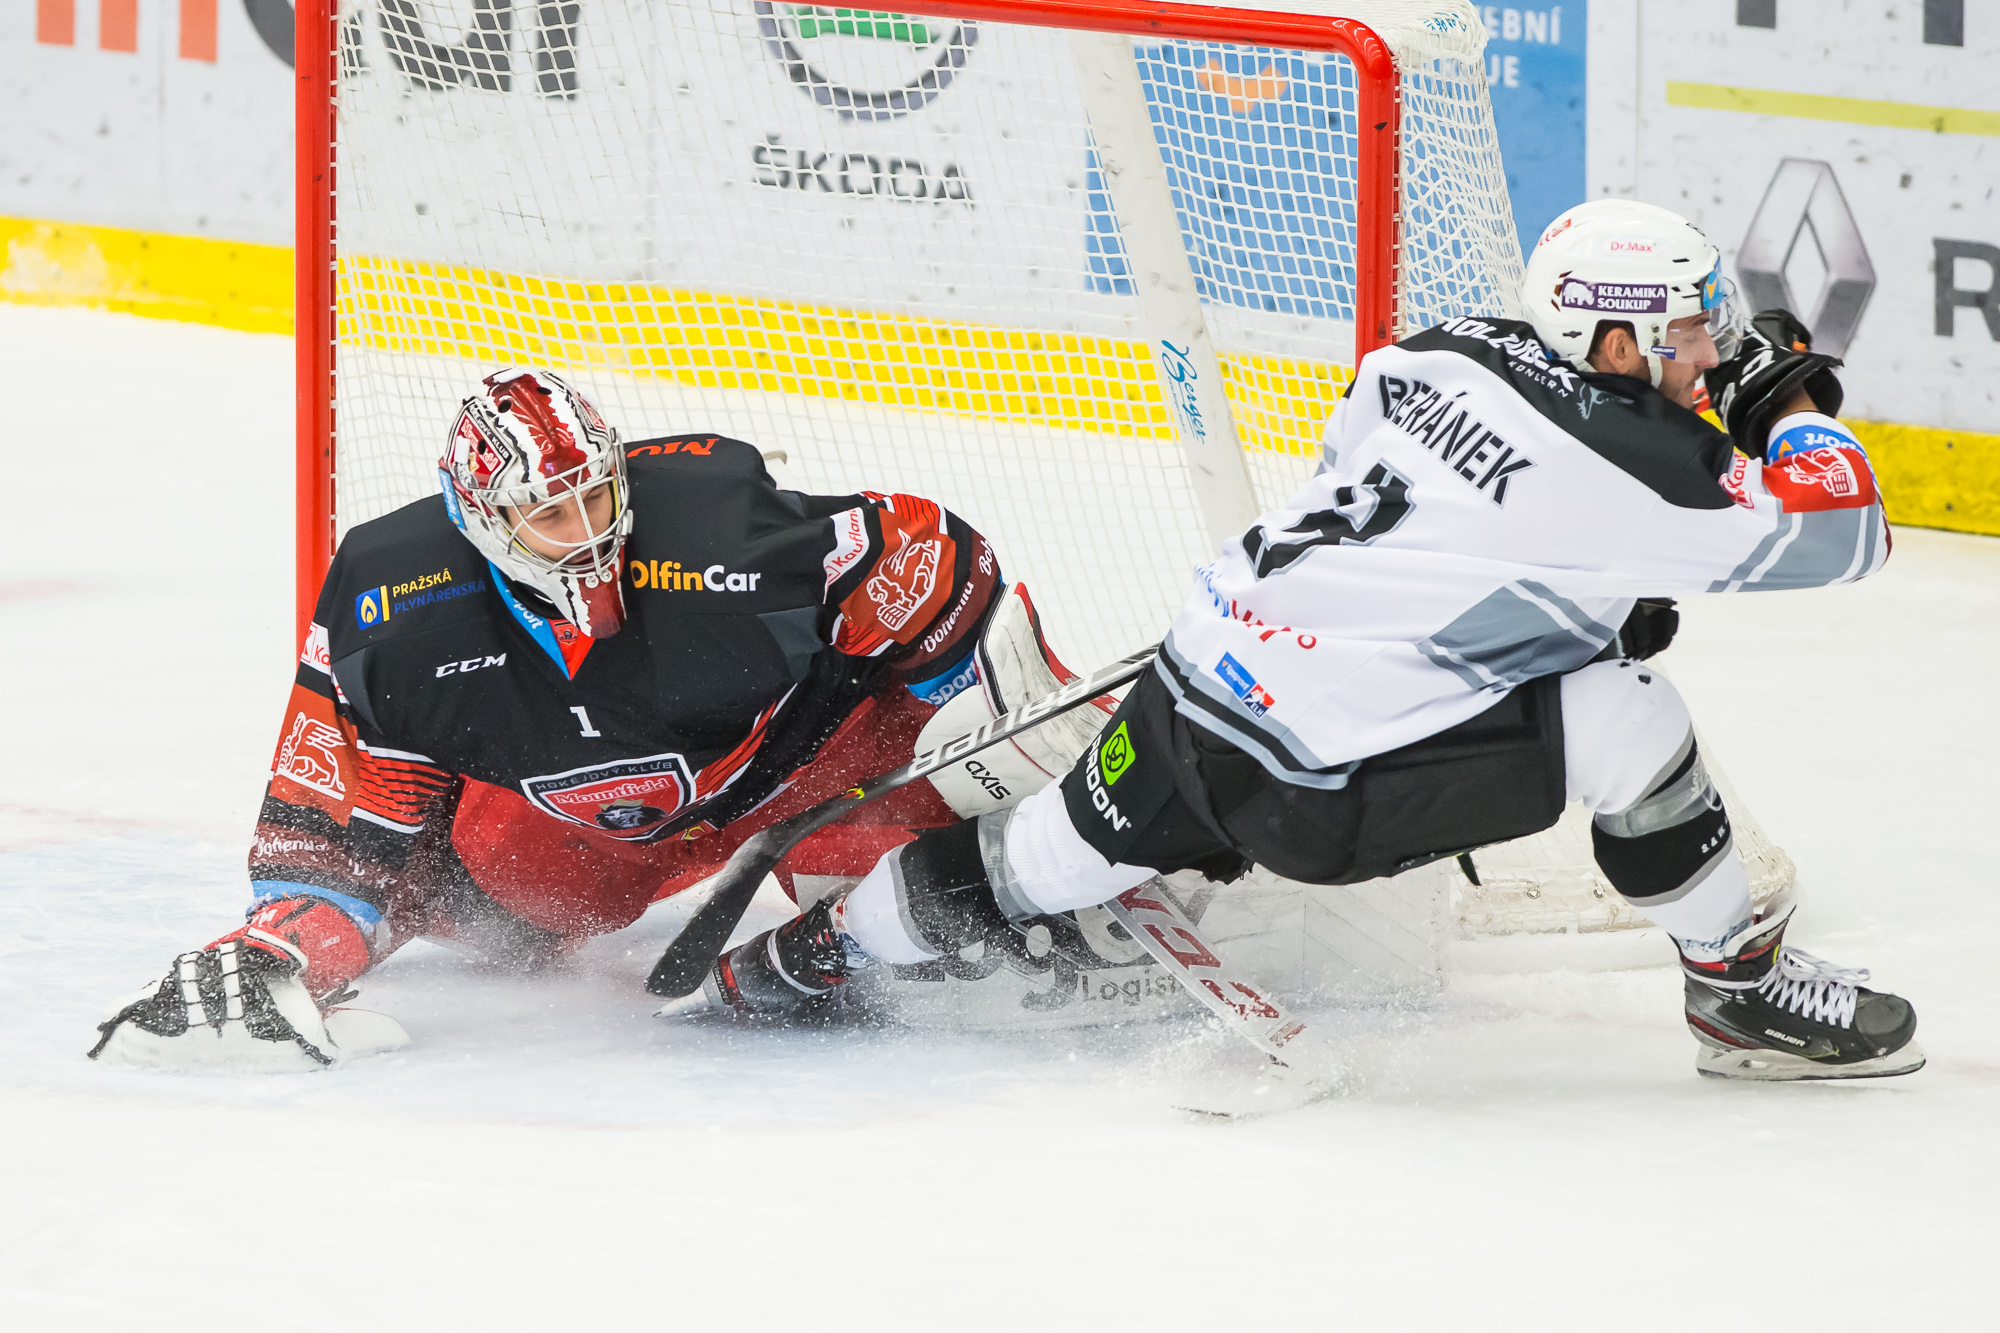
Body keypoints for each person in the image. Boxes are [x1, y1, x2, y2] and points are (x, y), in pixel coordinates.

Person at [710, 199, 1922, 1083]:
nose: (1706, 358)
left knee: (1037, 857)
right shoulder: (1628, 469)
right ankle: (1738, 996)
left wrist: (1558, 600)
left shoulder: (1437, 348)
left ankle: (792, 961)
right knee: (1627, 713)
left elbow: (1398, 500)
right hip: (1313, 797)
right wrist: (1782, 401)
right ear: (1614, 344)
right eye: (1690, 334)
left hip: (1192, 689)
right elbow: (1844, 532)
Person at [89, 368, 1101, 1069]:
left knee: (915, 877)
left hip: (819, 763)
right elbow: (343, 838)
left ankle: (1094, 833)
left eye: (598, 496)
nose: (588, 536)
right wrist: (283, 947)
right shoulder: (391, 617)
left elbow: (928, 558)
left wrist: (976, 715)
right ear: (481, 519)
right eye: (550, 514)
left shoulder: (725, 539)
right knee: (496, 911)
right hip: (590, 837)